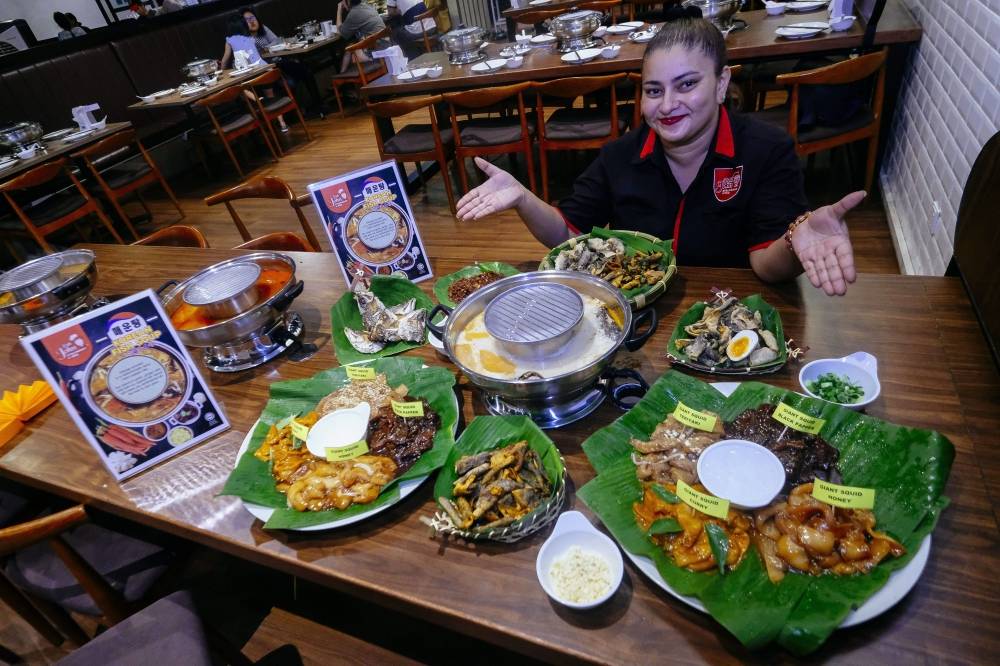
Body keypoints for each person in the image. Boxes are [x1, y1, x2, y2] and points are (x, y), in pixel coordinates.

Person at [456, 18, 863, 296]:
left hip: (735, 310)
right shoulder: (620, 155)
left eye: (686, 85)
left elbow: (765, 265)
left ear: (722, 83)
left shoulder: (766, 149)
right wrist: (524, 198)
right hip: (642, 318)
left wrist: (795, 239)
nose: (667, 105)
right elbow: (568, 233)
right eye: (653, 91)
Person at [336, 0, 388, 72]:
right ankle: (342, 76)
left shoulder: (354, 13)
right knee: (349, 50)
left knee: (351, 55)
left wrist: (339, 9)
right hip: (386, 46)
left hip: (378, 53)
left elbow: (339, 32)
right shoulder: (366, 5)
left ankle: (347, 79)